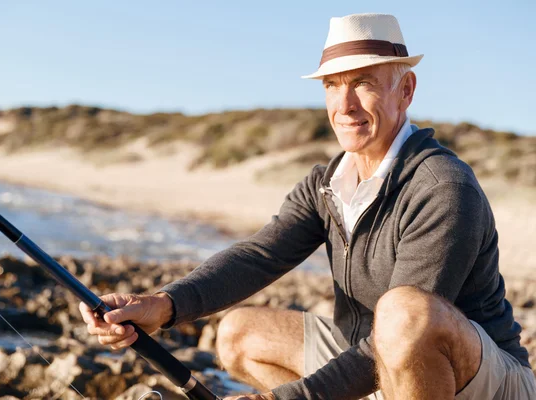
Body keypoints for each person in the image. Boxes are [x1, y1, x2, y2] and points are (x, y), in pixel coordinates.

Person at [79, 13, 536, 400]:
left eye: (362, 83)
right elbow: (260, 257)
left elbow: (405, 329)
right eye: (332, 86)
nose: (345, 104)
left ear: (406, 90)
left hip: (480, 380)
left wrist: (290, 398)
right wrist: (161, 305)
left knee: (403, 312)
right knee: (239, 333)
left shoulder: (442, 186)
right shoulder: (327, 182)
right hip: (375, 359)